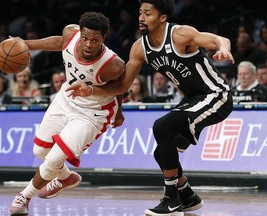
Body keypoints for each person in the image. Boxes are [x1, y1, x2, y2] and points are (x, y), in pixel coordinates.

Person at [66, 1, 235, 215]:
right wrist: (90, 90)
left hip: (216, 95)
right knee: (162, 153)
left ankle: (171, 200)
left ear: (162, 17)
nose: (141, 18)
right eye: (140, 13)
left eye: (148, 13)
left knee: (161, 127)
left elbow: (220, 39)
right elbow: (121, 86)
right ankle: (187, 196)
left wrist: (222, 49)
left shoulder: (180, 35)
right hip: (193, 99)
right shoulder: (140, 47)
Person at [9, 12, 125, 216]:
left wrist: (120, 110)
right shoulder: (70, 34)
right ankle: (66, 178)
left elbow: (120, 86)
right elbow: (59, 42)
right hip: (67, 97)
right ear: (79, 33)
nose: (89, 44)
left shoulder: (112, 65)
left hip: (94, 112)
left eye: (95, 40)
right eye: (85, 38)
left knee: (54, 158)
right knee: (40, 151)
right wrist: (25, 44)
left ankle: (24, 197)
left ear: (103, 39)